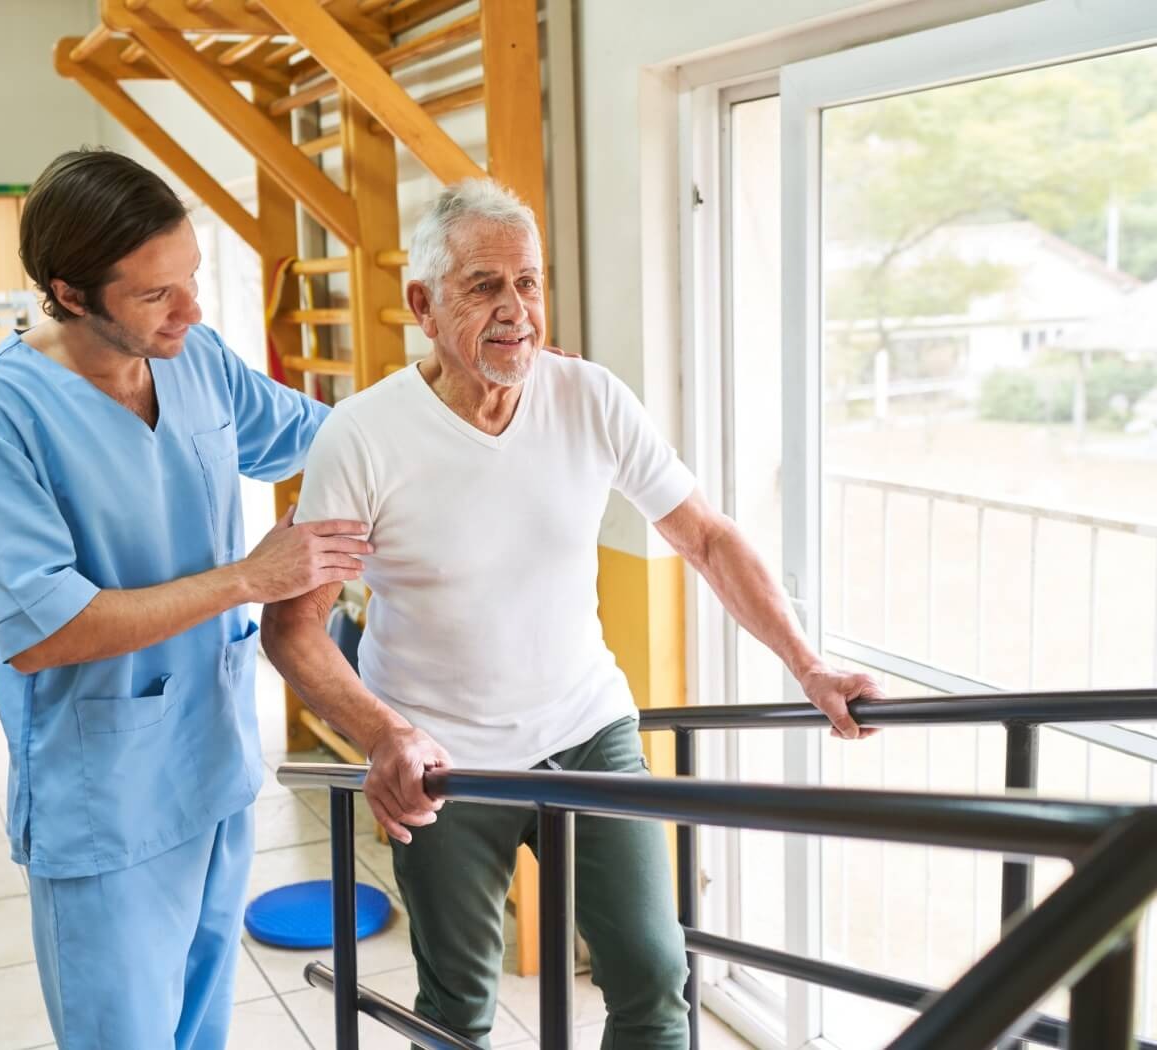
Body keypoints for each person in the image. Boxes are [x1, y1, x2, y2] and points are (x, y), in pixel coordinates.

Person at [260, 178, 881, 1049]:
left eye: (529, 283)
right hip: (440, 756)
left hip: (587, 729)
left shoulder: (589, 398)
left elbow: (704, 537)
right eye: (483, 286)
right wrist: (381, 734)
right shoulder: (363, 438)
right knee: (458, 1014)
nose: (516, 309)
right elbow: (293, 628)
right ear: (423, 307)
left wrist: (806, 663)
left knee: (656, 980)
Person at [0, 147, 373, 1050]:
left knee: (201, 1030)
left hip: (213, 767)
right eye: (156, 296)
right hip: (106, 797)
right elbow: (43, 628)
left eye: (192, 279)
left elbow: (331, 435)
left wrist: (454, 395)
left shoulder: (198, 358)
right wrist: (252, 579)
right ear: (69, 293)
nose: (192, 310)